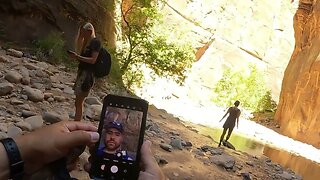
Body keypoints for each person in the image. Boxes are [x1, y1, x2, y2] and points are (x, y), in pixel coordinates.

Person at [0, 121, 164, 180]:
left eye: (117, 134)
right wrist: (25, 154)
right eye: (109, 133)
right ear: (103, 136)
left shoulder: (128, 160)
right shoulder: (97, 155)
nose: (112, 137)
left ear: (122, 139)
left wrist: (20, 153)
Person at [69, 22, 101, 121]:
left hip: (87, 76)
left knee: (79, 102)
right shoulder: (87, 43)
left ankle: (77, 124)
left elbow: (93, 60)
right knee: (77, 102)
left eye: (83, 33)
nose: (82, 35)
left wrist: (77, 57)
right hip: (82, 73)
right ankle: (76, 122)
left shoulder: (95, 42)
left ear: (89, 32)